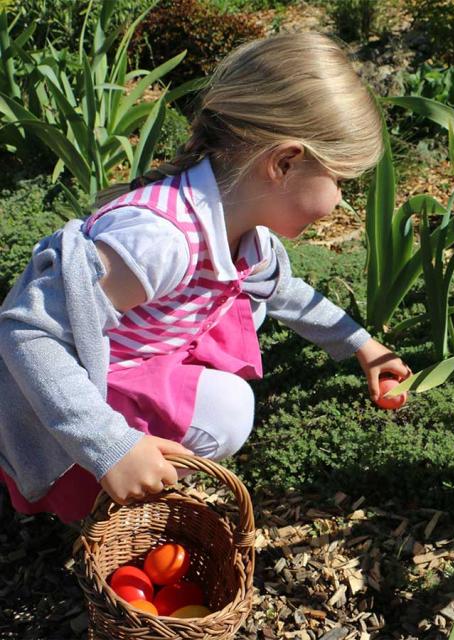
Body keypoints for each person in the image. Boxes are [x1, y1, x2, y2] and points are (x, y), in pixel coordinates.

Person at [0, 32, 410, 524]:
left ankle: (134, 474)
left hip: (144, 360)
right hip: (81, 387)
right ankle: (99, 493)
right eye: (340, 180)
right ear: (284, 162)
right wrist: (110, 445)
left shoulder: (239, 229)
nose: (340, 201)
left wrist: (362, 346)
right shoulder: (160, 241)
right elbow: (29, 330)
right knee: (230, 408)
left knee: (233, 385)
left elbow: (283, 291)